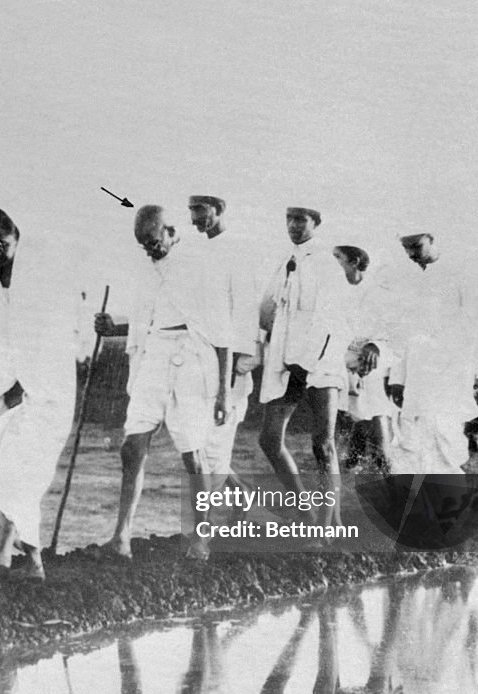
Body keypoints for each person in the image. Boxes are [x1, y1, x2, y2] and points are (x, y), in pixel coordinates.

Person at [95, 204, 230, 559]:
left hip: (192, 357)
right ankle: (121, 537)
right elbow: (147, 321)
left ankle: (201, 538)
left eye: (154, 242)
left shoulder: (199, 264)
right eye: (144, 245)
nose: (150, 250)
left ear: (170, 230)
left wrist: (224, 394)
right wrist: (114, 329)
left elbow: (222, 331)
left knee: (193, 455)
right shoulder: (145, 269)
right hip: (152, 355)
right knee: (132, 446)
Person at [0, 209, 81, 581]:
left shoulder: (38, 285)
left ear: (17, 241)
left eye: (3, 243)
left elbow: (51, 341)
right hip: (4, 390)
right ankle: (11, 554)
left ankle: (31, 561)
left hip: (45, 394)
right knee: (5, 470)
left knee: (20, 473)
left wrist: (27, 382)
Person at [258, 206, 351, 528]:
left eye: (301, 220)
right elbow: (267, 309)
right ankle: (306, 513)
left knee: (323, 444)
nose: (293, 226)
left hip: (321, 363)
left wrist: (311, 362)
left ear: (316, 223)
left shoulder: (327, 264)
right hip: (286, 362)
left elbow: (333, 320)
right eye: (289, 219)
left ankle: (329, 527)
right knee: (269, 439)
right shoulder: (285, 261)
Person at [387, 232, 478, 474]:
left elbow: (475, 322)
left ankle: (449, 504)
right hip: (416, 371)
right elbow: (403, 331)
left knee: (444, 435)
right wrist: (397, 377)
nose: (411, 254)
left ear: (432, 238)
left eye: (416, 246)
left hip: (451, 371)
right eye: (405, 248)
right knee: (411, 434)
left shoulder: (458, 273)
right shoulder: (408, 280)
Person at [187, 194, 264, 488]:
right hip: (200, 363)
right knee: (202, 447)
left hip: (229, 367)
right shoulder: (200, 252)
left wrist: (233, 369)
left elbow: (245, 312)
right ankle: (239, 499)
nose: (194, 217)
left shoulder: (237, 251)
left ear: (219, 209)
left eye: (200, 209)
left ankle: (203, 528)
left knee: (214, 451)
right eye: (191, 210)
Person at [333, 245, 395, 474]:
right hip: (342, 363)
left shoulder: (375, 291)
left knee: (376, 418)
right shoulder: (335, 290)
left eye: (337, 258)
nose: (333, 263)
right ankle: (352, 468)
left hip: (369, 365)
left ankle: (388, 474)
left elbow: (387, 330)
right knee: (351, 420)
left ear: (355, 261)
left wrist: (373, 348)